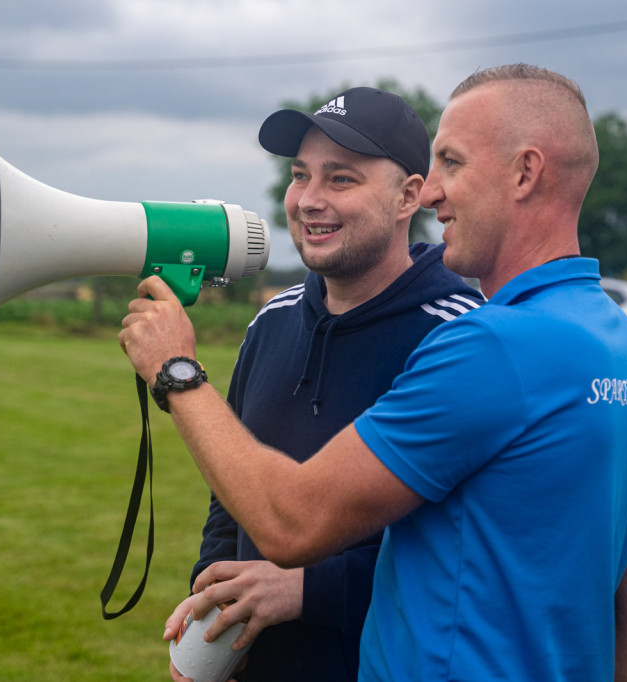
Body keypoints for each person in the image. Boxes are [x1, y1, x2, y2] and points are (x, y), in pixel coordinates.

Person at [121, 64, 627, 681]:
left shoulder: (489, 346)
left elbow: (291, 520)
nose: (434, 191)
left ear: (525, 173)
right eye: (301, 175)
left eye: (452, 163)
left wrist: (177, 371)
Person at [165, 86, 482, 681]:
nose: (309, 200)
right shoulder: (272, 320)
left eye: (341, 179)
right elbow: (230, 497)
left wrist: (307, 590)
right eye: (300, 175)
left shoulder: (462, 337)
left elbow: (466, 551)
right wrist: (210, 619)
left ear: (407, 197)